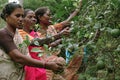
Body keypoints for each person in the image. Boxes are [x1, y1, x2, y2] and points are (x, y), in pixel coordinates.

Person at [0, 2, 65, 80]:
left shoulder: (17, 34)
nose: (21, 19)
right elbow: (17, 57)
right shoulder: (3, 33)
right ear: (7, 17)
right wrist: (47, 65)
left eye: (22, 16)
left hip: (20, 74)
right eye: (17, 16)